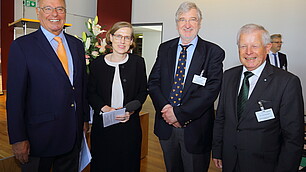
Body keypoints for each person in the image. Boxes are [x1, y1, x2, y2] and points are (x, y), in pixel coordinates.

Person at [6, 0, 90, 171]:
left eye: (60, 9)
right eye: (48, 9)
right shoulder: (22, 46)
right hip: (38, 139)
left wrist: (84, 118)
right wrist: (18, 138)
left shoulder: (76, 45)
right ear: (38, 12)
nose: (55, 14)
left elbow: (81, 86)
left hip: (72, 135)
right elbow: (15, 99)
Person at [212, 24, 304, 172]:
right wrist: (217, 149)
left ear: (267, 48)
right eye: (243, 46)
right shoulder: (228, 76)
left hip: (265, 165)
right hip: (230, 160)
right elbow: (221, 117)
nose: (248, 52)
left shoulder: (287, 82)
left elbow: (293, 137)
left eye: (255, 46)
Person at [148, 2, 225, 172]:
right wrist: (166, 109)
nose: (187, 25)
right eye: (182, 20)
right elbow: (153, 82)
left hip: (195, 130)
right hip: (166, 126)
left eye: (192, 19)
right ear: (176, 23)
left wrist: (178, 114)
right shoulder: (165, 48)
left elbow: (211, 90)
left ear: (200, 22)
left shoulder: (213, 52)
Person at [88, 21, 148, 172]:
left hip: (129, 127)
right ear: (110, 37)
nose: (122, 41)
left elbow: (142, 91)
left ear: (132, 42)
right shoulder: (97, 64)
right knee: (103, 164)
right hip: (103, 127)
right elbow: (90, 92)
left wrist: (131, 110)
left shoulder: (138, 63)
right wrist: (104, 108)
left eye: (127, 38)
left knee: (128, 165)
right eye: (119, 36)